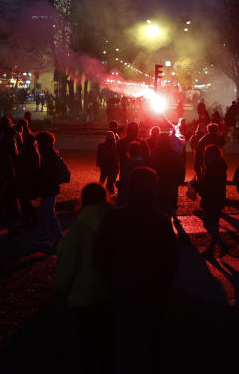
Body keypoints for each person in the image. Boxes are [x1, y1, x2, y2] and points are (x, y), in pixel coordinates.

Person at [94, 167, 179, 373]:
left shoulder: (116, 218)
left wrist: (110, 278)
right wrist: (162, 284)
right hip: (152, 289)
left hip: (123, 285)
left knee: (125, 336)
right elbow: (171, 260)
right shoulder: (159, 220)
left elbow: (100, 253)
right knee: (152, 336)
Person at [55, 183, 114, 374]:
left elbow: (67, 266)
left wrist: (62, 290)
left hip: (84, 296)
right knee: (108, 346)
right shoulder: (118, 223)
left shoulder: (79, 230)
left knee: (85, 347)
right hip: (112, 294)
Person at [35, 131, 68, 246]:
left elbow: (46, 174)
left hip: (49, 188)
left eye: (38, 142)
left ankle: (56, 237)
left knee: (47, 212)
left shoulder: (48, 156)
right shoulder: (51, 153)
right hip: (51, 188)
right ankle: (46, 236)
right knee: (46, 212)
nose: (37, 145)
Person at [196, 144, 228, 256]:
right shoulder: (220, 165)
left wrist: (196, 185)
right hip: (219, 198)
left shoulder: (212, 168)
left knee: (208, 224)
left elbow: (207, 187)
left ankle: (222, 244)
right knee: (214, 224)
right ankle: (212, 248)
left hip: (212, 199)